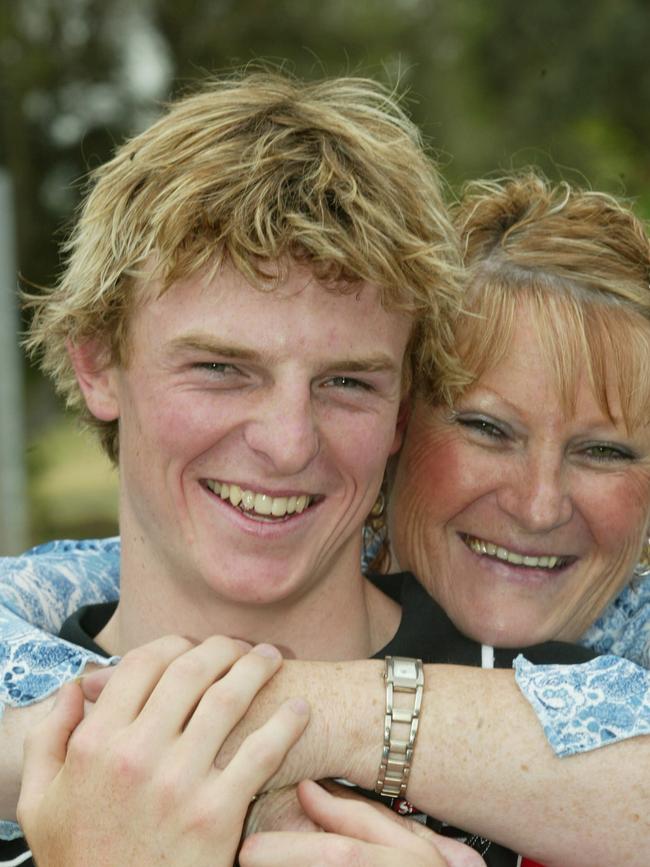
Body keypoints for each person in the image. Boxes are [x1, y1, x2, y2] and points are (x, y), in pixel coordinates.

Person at [0, 109, 648, 867]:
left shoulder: (578, 715)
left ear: (404, 408)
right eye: (220, 367)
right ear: (98, 364)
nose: (286, 443)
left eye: (346, 382)